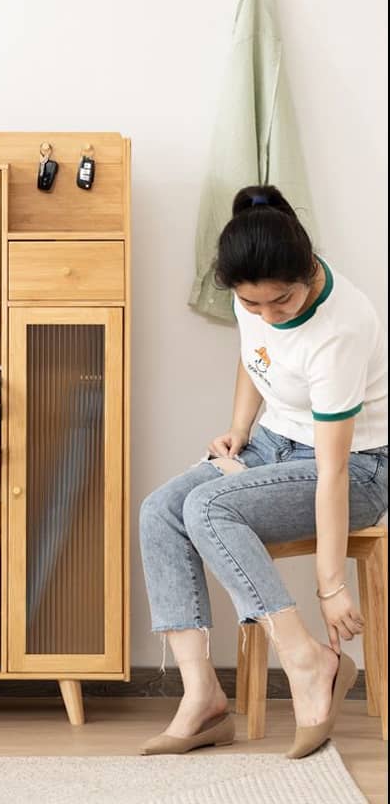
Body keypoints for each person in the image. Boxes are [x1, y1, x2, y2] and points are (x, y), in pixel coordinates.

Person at [139, 185, 388, 758]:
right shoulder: (252, 295)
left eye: (283, 302)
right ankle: (202, 696)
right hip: (273, 443)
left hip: (359, 468)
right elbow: (257, 356)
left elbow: (332, 473)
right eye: (253, 305)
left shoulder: (340, 331)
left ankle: (308, 659)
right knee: (162, 511)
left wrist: (331, 587)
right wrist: (240, 429)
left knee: (209, 507)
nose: (268, 315)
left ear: (308, 272)